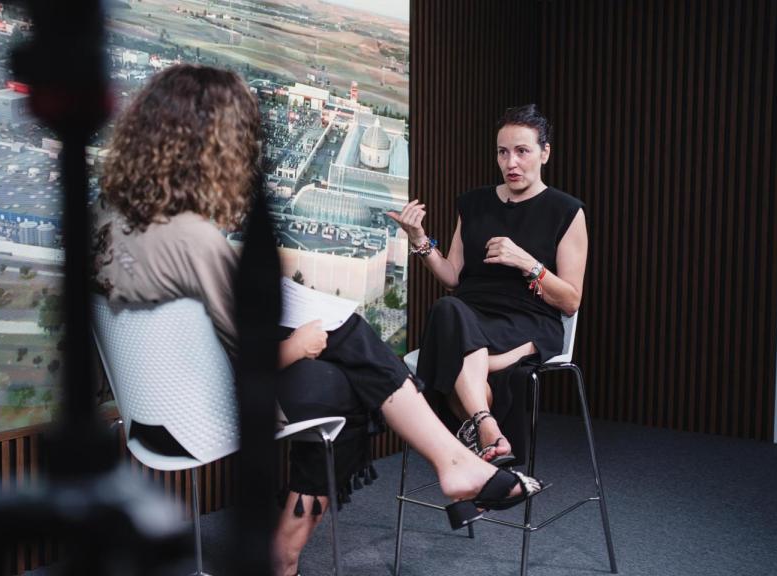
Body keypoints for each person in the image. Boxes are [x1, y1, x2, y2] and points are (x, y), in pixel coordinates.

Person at [90, 65, 546, 576]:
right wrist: (304, 341)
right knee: (345, 357)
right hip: (200, 414)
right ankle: (442, 468)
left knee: (338, 370)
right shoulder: (193, 237)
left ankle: (435, 474)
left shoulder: (111, 213)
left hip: (150, 413)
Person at [388, 104, 588, 467]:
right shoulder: (475, 203)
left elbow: (571, 302)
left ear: (545, 153)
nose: (511, 162)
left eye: (522, 151)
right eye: (503, 152)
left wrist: (527, 262)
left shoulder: (566, 212)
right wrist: (419, 239)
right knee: (448, 309)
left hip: (527, 318)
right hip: (469, 316)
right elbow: (452, 276)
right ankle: (489, 428)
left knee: (454, 340)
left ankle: (479, 425)